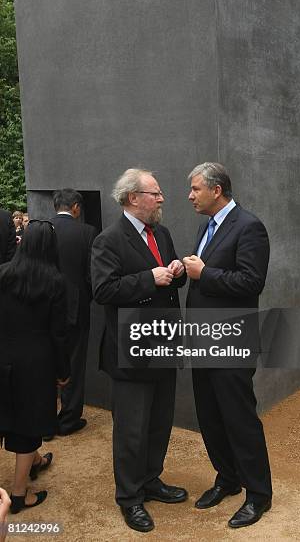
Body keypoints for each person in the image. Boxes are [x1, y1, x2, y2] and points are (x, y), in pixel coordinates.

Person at [91, 168, 187, 533]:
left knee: (160, 421)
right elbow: (102, 291)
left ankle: (150, 480)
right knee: (131, 429)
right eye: (155, 193)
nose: (162, 199)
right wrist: (150, 278)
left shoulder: (160, 233)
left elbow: (167, 273)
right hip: (130, 351)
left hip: (162, 343)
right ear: (134, 198)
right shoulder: (108, 240)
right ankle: (130, 498)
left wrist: (175, 269)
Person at [183, 162, 272, 528]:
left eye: (195, 189)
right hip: (204, 340)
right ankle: (228, 478)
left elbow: (251, 282)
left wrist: (205, 274)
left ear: (216, 190)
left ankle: (258, 495)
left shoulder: (249, 227)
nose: (190, 195)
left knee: (238, 418)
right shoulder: (207, 225)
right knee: (210, 414)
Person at [0, 221, 70, 514]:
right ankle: (18, 495)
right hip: (37, 362)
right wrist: (63, 372)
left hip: (2, 355)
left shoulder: (2, 274)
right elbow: (59, 334)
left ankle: (32, 467)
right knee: (27, 426)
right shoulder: (55, 282)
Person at [49, 189, 97, 437]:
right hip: (75, 308)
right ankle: (68, 419)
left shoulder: (42, 228)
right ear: (76, 207)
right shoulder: (86, 232)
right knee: (75, 364)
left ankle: (45, 422)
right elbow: (92, 274)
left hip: (44, 307)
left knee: (46, 362)